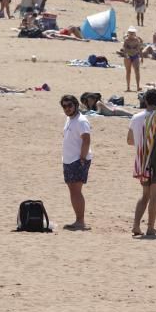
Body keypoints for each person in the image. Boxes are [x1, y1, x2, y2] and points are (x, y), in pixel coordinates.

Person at [128, 88, 156, 237]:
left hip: (141, 161)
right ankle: (150, 227)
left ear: (145, 101)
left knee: (145, 195)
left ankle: (135, 225)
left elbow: (129, 140)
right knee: (155, 195)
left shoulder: (135, 117)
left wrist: (143, 143)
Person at [60, 94, 92, 231]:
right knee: (72, 190)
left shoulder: (81, 121)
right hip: (68, 160)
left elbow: (86, 140)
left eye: (69, 105)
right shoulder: (69, 119)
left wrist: (82, 159)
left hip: (78, 160)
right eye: (64, 106)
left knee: (76, 191)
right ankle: (78, 219)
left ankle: (80, 221)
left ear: (76, 105)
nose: (67, 108)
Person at [121, 27, 144, 92]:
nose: (131, 34)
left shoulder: (137, 40)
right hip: (128, 56)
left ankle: (138, 86)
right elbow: (124, 49)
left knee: (137, 71)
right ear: (128, 33)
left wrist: (142, 57)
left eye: (133, 33)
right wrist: (126, 55)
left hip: (135, 56)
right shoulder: (126, 40)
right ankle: (128, 87)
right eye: (130, 33)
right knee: (128, 71)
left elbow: (140, 49)